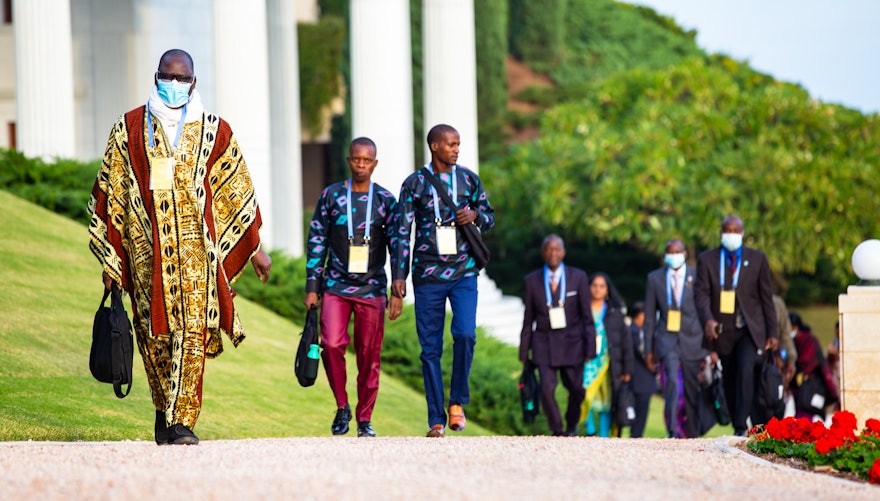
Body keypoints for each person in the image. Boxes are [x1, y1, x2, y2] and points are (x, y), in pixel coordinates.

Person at [87, 49, 272, 445]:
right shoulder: (129, 128)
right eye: (167, 77)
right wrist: (111, 260)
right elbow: (113, 195)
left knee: (190, 334)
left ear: (194, 81)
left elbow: (235, 191)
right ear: (155, 77)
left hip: (196, 259)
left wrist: (255, 247)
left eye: (181, 78)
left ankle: (182, 421)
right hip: (144, 255)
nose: (174, 84)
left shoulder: (215, 130)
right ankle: (163, 409)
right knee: (154, 338)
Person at [392, 124, 495, 437]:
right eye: (451, 144)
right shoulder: (414, 184)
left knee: (465, 334)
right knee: (430, 349)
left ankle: (457, 402)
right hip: (427, 276)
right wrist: (399, 276)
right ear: (434, 146)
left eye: (458, 144)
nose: (456, 149)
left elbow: (489, 216)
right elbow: (400, 232)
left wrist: (475, 216)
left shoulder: (468, 179)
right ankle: (436, 419)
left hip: (464, 272)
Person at [304, 137, 403, 438]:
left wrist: (398, 291)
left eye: (367, 160)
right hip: (335, 285)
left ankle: (365, 419)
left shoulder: (386, 201)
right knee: (331, 344)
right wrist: (312, 286)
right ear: (349, 160)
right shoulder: (331, 195)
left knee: (369, 356)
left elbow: (399, 246)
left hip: (372, 289)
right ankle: (342, 406)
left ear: (375, 163)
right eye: (356, 159)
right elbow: (317, 240)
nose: (361, 164)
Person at [694, 215, 778, 436]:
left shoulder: (757, 258)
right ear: (721, 233)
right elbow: (701, 295)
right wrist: (708, 320)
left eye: (734, 230)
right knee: (730, 379)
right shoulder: (707, 259)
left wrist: (772, 332)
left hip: (750, 329)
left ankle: (741, 426)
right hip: (722, 331)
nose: (730, 234)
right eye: (726, 230)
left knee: (745, 367)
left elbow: (766, 297)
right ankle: (736, 418)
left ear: (742, 233)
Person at [519, 235, 596, 436]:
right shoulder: (532, 280)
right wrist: (523, 351)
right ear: (544, 253)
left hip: (573, 343)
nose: (553, 253)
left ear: (563, 252)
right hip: (543, 343)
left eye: (557, 249)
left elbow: (587, 316)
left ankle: (572, 425)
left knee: (577, 390)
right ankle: (557, 430)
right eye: (549, 249)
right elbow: (528, 319)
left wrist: (590, 348)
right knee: (546, 389)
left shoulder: (578, 277)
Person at [643, 239, 708, 438]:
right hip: (667, 340)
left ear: (685, 253)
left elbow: (705, 310)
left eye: (677, 251)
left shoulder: (697, 276)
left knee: (691, 388)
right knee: (670, 382)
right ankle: (672, 430)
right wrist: (648, 349)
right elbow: (649, 317)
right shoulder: (655, 278)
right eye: (669, 252)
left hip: (693, 339)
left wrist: (709, 347)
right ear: (665, 256)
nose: (673, 255)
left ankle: (693, 432)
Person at [581, 272, 633, 437]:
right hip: (586, 361)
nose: (597, 289)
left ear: (607, 290)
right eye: (594, 285)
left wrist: (627, 369)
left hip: (609, 364)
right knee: (585, 395)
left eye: (602, 286)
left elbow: (626, 342)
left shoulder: (614, 313)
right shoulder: (581, 310)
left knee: (606, 401)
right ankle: (589, 430)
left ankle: (604, 436)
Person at [789, 312, 838, 420]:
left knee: (805, 413)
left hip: (811, 384)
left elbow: (808, 360)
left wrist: (794, 364)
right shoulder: (791, 342)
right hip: (798, 386)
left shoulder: (809, 340)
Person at [627, 301, 655, 438]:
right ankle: (636, 437)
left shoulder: (631, 330)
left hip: (637, 380)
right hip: (641, 379)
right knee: (640, 413)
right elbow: (643, 353)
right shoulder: (636, 332)